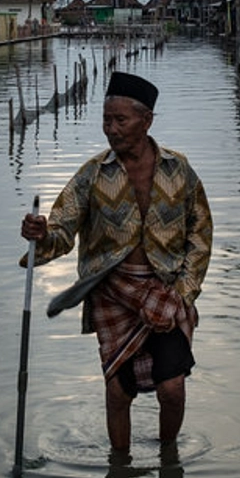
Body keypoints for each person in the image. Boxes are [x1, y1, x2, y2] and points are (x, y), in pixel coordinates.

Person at [21, 71, 213, 454]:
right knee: (118, 391)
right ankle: (120, 465)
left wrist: (184, 293)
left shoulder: (179, 170)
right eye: (106, 119)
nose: (111, 129)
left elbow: (200, 234)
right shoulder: (93, 175)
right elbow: (62, 230)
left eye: (120, 120)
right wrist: (41, 236)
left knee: (172, 388)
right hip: (113, 291)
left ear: (146, 121)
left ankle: (168, 455)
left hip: (166, 291)